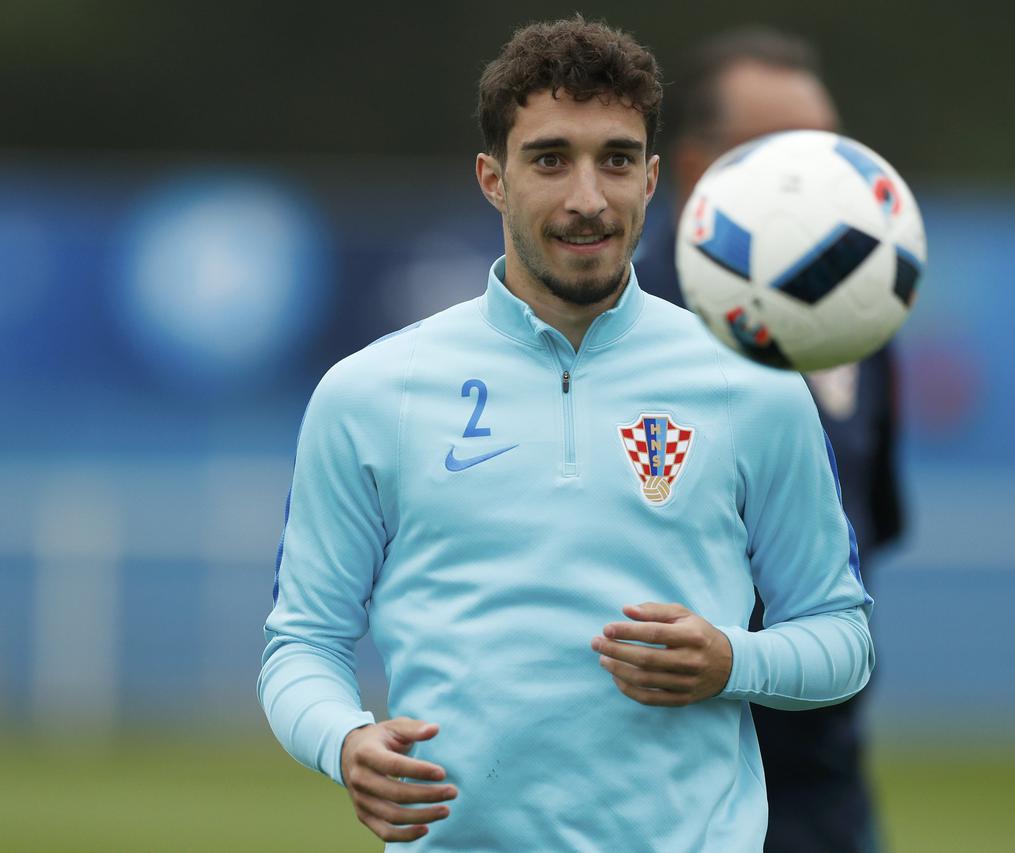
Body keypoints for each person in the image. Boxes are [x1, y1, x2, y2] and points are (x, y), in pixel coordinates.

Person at [258, 17, 873, 852]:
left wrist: (734, 662)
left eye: (615, 160)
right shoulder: (370, 392)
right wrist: (344, 739)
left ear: (651, 178)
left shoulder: (752, 381)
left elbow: (840, 635)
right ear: (493, 179)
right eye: (550, 159)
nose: (588, 197)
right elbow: (302, 642)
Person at [633, 29, 904, 853]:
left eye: (834, 153)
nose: (825, 180)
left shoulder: (860, 320)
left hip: (819, 781)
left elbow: (867, 529)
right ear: (696, 169)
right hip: (656, 778)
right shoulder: (619, 332)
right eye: (790, 158)